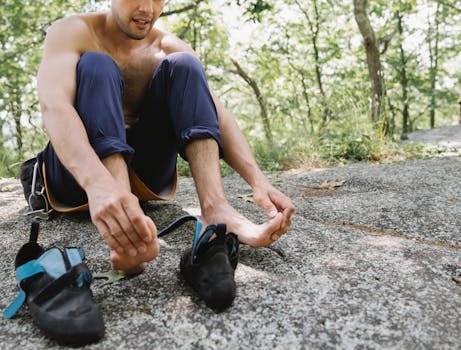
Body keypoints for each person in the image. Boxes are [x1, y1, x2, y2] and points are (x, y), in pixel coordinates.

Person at [35, 0, 295, 275]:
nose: (148, 8)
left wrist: (259, 181)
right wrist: (98, 185)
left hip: (147, 175)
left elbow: (216, 115)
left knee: (185, 64)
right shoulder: (73, 31)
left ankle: (216, 209)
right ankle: (127, 223)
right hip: (79, 177)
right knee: (97, 65)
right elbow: (55, 107)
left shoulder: (169, 46)